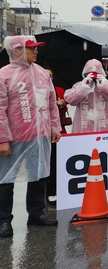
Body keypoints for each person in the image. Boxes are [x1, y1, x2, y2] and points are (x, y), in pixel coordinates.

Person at [0, 36, 61, 237]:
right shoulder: (4, 75)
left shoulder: (42, 74)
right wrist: (3, 138)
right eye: (31, 48)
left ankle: (36, 213)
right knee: (6, 179)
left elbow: (52, 103)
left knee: (39, 174)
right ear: (17, 50)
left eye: (36, 48)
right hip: (15, 137)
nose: (36, 52)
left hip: (40, 135)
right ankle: (4, 220)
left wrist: (54, 127)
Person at [64, 59, 108, 134]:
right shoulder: (80, 85)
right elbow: (71, 100)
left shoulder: (107, 84)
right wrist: (83, 87)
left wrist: (104, 86)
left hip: (104, 127)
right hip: (84, 127)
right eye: (89, 73)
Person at [44, 67, 68, 204]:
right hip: (42, 131)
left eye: (51, 76)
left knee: (58, 160)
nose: (49, 78)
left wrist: (62, 104)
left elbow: (64, 108)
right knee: (47, 163)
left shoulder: (59, 90)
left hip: (59, 130)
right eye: (46, 75)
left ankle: (59, 188)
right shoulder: (35, 89)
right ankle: (49, 190)